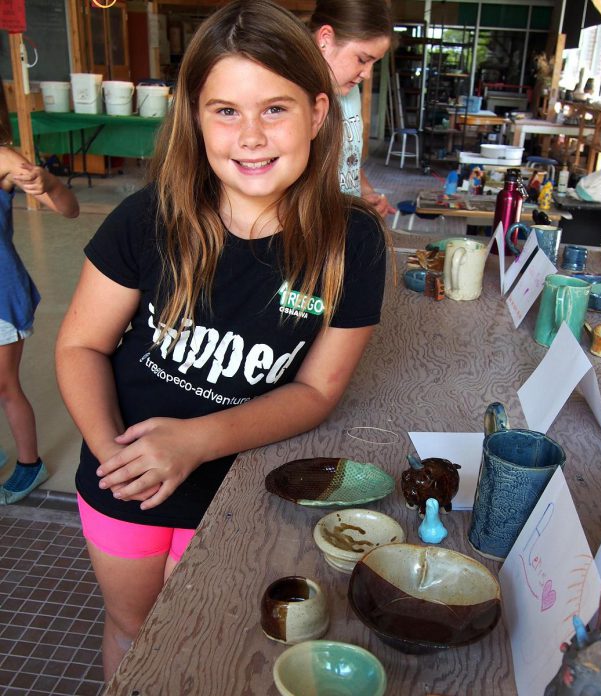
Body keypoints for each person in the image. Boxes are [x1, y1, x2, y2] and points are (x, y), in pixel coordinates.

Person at [55, 0, 386, 680]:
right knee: (132, 627)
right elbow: (79, 347)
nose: (252, 136)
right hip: (124, 480)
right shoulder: (146, 218)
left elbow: (318, 388)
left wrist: (196, 440)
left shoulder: (352, 243)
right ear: (195, 119)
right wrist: (112, 456)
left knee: (214, 638)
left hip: (239, 489)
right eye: (226, 110)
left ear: (319, 113)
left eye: (275, 108)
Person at [0, 81, 79, 505]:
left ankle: (29, 465)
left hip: (0, 295)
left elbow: (70, 210)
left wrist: (46, 182)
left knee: (5, 386)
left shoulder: (5, 159)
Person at [308, 0, 396, 219]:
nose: (366, 74)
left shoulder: (349, 91)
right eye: (362, 59)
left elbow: (348, 158)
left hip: (347, 224)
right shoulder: (296, 98)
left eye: (373, 63)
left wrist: (365, 192)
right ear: (325, 39)